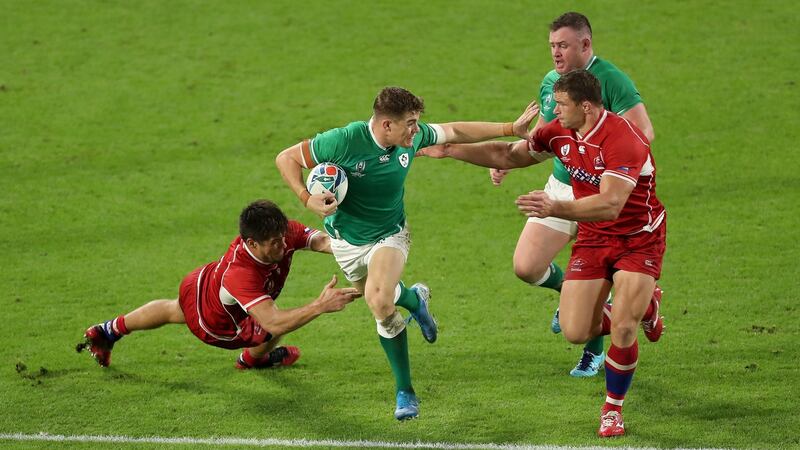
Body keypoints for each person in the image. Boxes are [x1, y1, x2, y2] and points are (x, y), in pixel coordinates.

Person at [417, 69, 666, 437]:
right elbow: (510, 154)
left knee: (624, 328)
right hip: (594, 239)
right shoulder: (559, 130)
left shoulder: (623, 139)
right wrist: (453, 150)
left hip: (636, 238)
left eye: (561, 105)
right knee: (576, 331)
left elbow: (611, 204)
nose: (554, 111)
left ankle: (612, 409)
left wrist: (555, 208)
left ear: (586, 106)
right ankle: (648, 306)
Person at [275, 86, 536, 420]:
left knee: (380, 302)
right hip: (346, 242)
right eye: (410, 124)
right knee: (380, 296)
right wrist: (305, 197)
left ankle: (405, 392)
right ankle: (414, 300)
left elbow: (453, 130)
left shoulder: (410, 138)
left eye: (417, 123)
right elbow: (286, 158)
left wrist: (509, 128)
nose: (417, 130)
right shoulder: (344, 141)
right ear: (386, 125)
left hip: (390, 234)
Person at [490, 12, 657, 377]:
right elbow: (547, 132)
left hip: (604, 193)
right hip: (562, 187)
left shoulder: (611, 80)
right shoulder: (552, 81)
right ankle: (585, 301)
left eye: (563, 45)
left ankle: (594, 349)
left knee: (591, 286)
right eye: (552, 45)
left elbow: (644, 133)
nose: (555, 53)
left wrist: (602, 155)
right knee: (527, 266)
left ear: (585, 44)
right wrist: (511, 157)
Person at [77, 200, 361, 370]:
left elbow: (320, 241)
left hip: (202, 283)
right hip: (215, 322)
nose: (285, 244)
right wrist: (320, 306)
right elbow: (274, 322)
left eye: (283, 236)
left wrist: (360, 248)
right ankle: (252, 360)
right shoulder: (242, 275)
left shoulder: (277, 232)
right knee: (271, 327)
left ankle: (107, 331)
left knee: (174, 310)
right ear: (252, 243)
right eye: (275, 243)